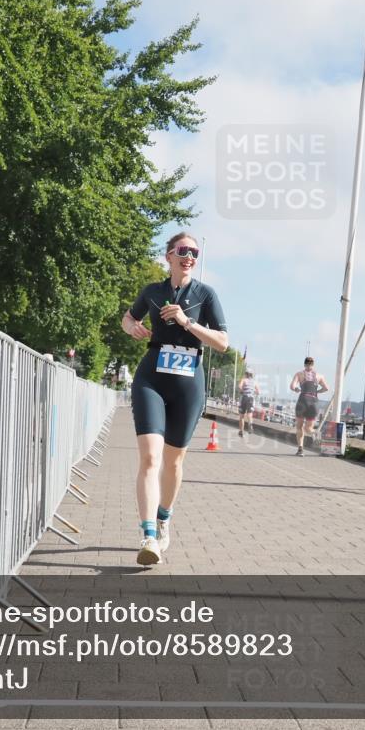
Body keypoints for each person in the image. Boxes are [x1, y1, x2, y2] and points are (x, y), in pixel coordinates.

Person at [122, 233, 229, 565]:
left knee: (173, 461)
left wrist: (187, 321)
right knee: (151, 459)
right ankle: (149, 535)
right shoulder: (152, 291)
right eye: (183, 251)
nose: (190, 257)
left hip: (188, 381)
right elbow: (128, 317)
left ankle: (164, 517)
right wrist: (131, 327)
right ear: (169, 256)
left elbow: (223, 341)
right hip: (152, 375)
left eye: (195, 252)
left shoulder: (205, 294)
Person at [290, 357, 328, 456]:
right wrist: (317, 391)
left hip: (303, 401)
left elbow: (292, 386)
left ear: (304, 364)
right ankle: (316, 434)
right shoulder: (319, 376)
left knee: (299, 427)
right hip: (314, 402)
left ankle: (300, 449)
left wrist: (297, 389)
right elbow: (326, 388)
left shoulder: (299, 374)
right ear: (313, 364)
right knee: (309, 429)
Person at [238, 368, 259, 436]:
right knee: (249, 414)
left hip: (244, 398)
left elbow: (239, 386)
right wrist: (252, 392)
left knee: (242, 416)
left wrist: (242, 390)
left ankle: (241, 431)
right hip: (251, 399)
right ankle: (250, 425)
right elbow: (258, 392)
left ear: (246, 374)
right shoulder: (255, 382)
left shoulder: (244, 380)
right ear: (252, 375)